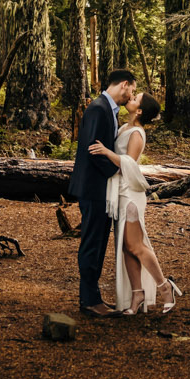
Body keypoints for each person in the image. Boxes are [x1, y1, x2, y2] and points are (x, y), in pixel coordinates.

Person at [92, 92, 182, 315]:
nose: (130, 98)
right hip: (119, 194)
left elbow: (129, 166)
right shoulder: (123, 127)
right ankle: (137, 294)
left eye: (135, 99)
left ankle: (165, 287)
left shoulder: (136, 134)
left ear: (139, 110)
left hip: (131, 194)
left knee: (136, 246)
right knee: (125, 248)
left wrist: (105, 151)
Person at [69, 69, 135, 316]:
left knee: (97, 243)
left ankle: (92, 297)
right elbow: (93, 149)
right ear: (124, 85)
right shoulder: (98, 109)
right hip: (93, 187)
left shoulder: (106, 109)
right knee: (92, 244)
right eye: (132, 90)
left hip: (98, 188)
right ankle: (88, 300)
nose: (132, 95)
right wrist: (118, 170)